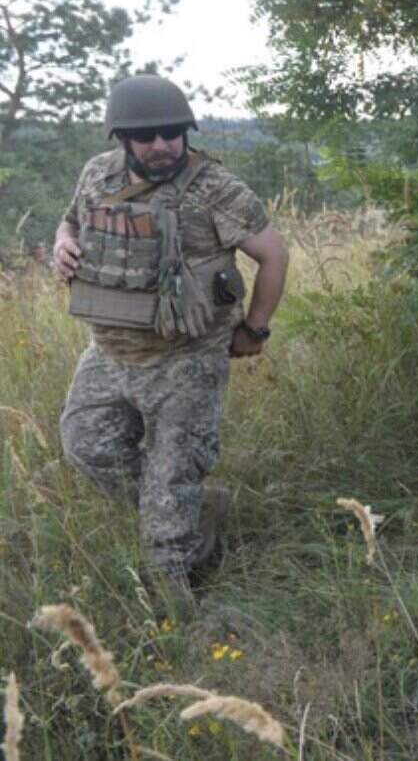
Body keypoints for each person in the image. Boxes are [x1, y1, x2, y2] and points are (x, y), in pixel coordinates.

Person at [52, 74, 290, 608]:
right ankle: (194, 506)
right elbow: (69, 224)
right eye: (147, 136)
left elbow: (273, 255)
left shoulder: (215, 189)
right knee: (85, 446)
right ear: (122, 139)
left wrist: (255, 330)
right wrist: (62, 246)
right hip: (109, 352)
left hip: (187, 359)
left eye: (172, 134)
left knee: (169, 490)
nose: (162, 145)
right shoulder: (98, 173)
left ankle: (177, 609)